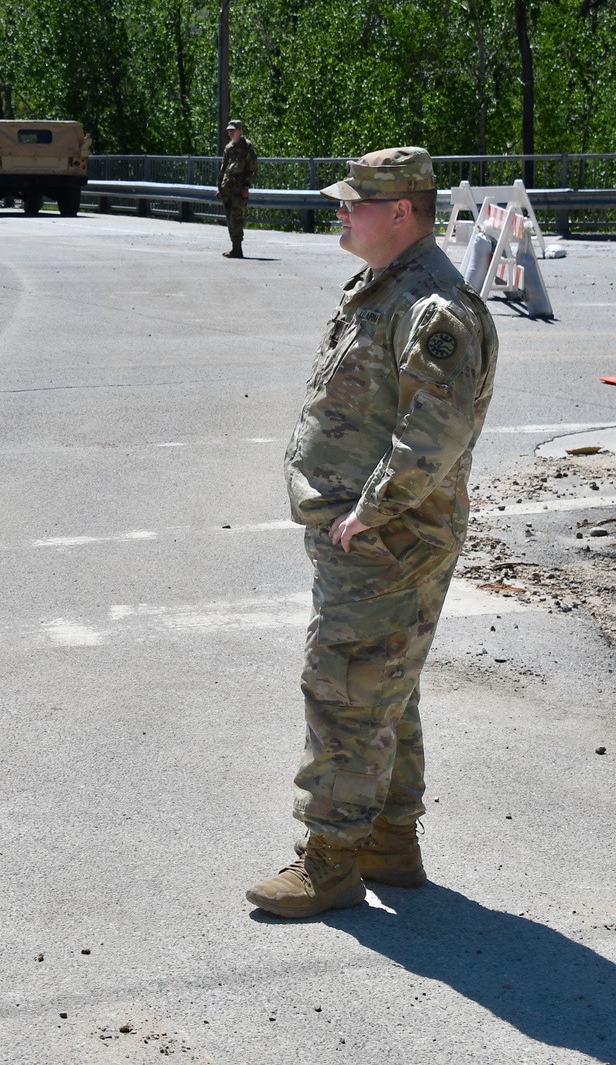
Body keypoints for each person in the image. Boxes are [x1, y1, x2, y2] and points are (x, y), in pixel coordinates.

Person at [246, 146, 498, 919]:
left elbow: (437, 431)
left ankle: (329, 861)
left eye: (356, 201)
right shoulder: (385, 288)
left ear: (401, 213)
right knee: (386, 684)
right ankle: (390, 840)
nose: (341, 210)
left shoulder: (434, 308)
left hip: (387, 540)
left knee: (346, 689)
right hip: (371, 536)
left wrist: (370, 511)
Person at [216, 119, 258, 258]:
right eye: (229, 130)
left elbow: (252, 169)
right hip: (227, 187)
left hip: (239, 187)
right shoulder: (228, 148)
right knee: (229, 217)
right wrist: (219, 187)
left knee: (236, 217)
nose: (231, 132)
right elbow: (224, 168)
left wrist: (246, 186)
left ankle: (237, 248)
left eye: (233, 130)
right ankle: (234, 247)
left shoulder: (247, 147)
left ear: (240, 131)